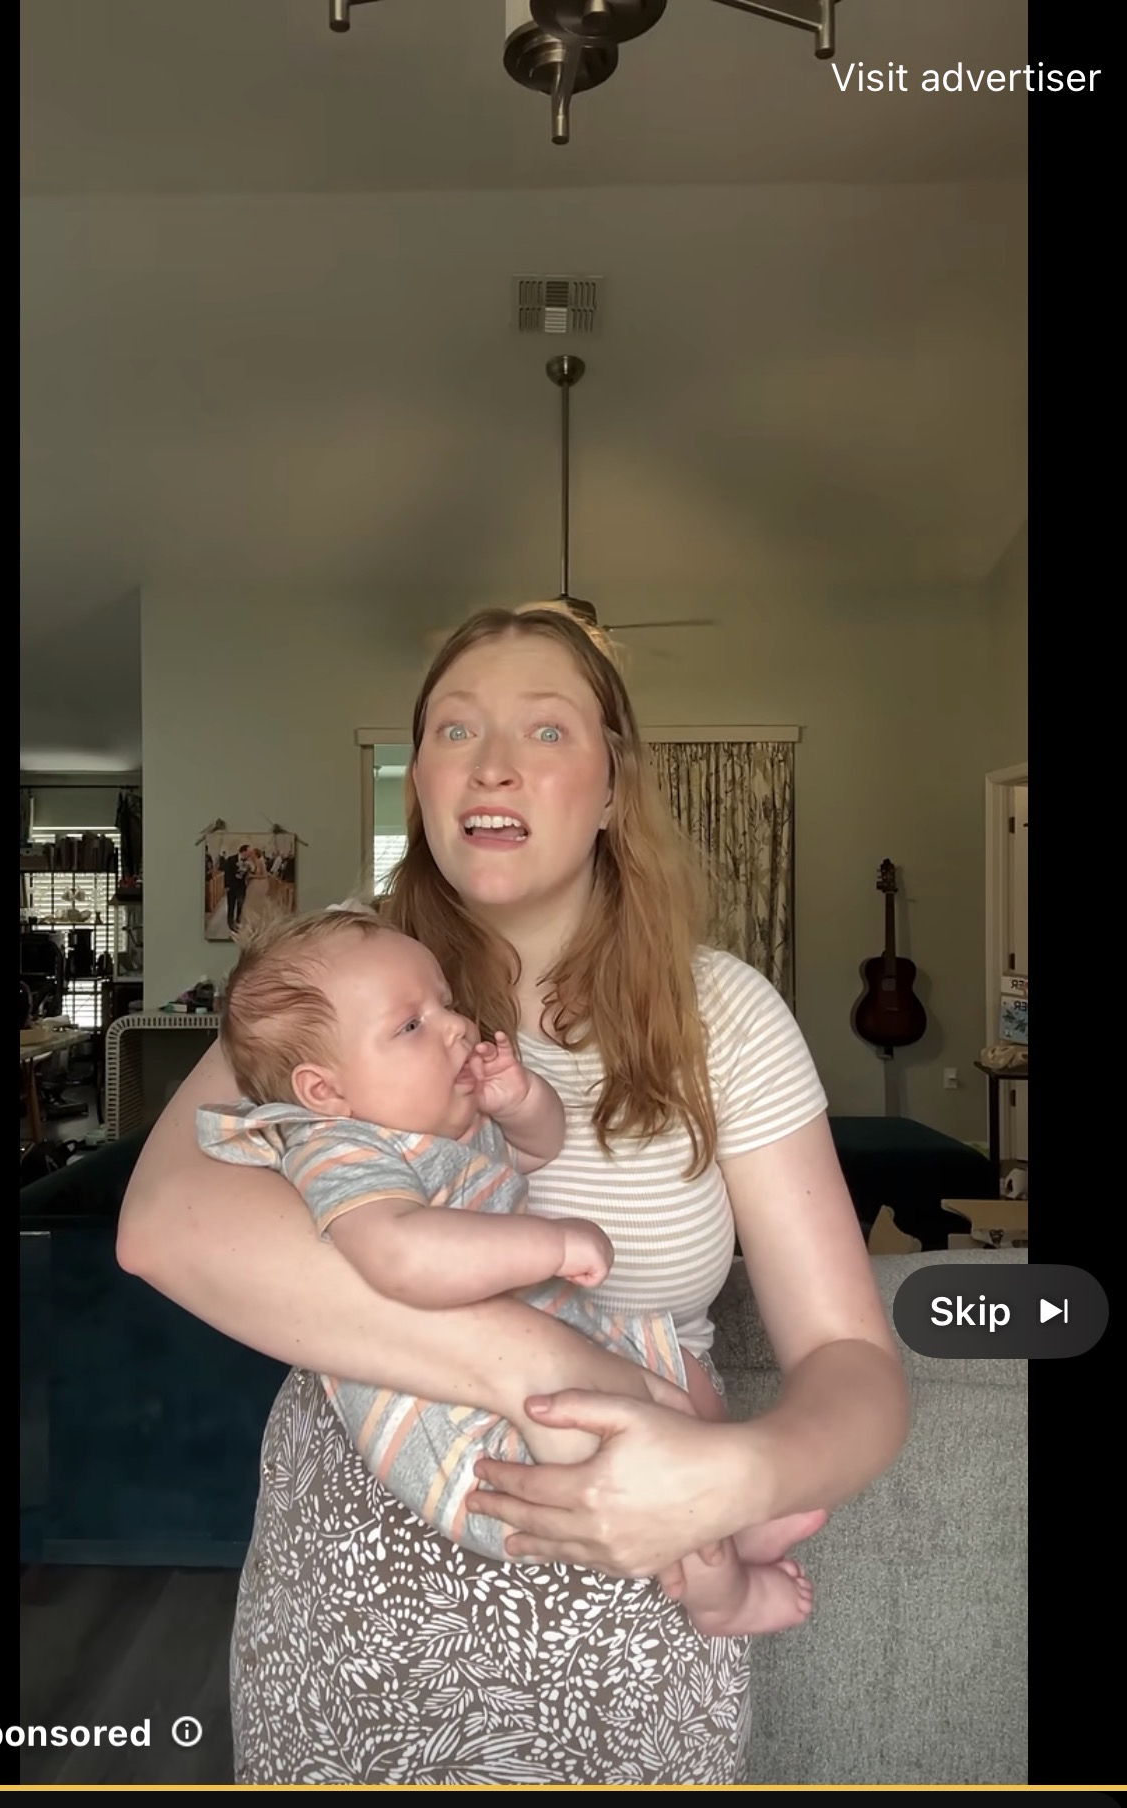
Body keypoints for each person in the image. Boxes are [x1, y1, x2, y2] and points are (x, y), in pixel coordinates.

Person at [117, 604, 909, 1785]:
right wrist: (540, 1364)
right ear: (420, 782)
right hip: (355, 1611)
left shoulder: (726, 1015)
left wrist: (736, 1477)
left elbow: (855, 1364)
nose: (491, 762)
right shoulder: (331, 983)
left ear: (612, 787)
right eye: (454, 728)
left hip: (638, 1606)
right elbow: (161, 1226)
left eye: (545, 729)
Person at [195, 905, 816, 1635]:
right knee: (647, 1449)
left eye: (445, 1003)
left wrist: (519, 1103)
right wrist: (549, 1246)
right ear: (323, 1092)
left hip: (541, 1357)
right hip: (465, 1422)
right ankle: (719, 1594)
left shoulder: (441, 1131)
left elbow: (537, 1148)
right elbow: (401, 1256)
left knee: (685, 1376)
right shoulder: (340, 1149)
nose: (456, 1027)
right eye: (411, 1025)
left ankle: (734, 1519)